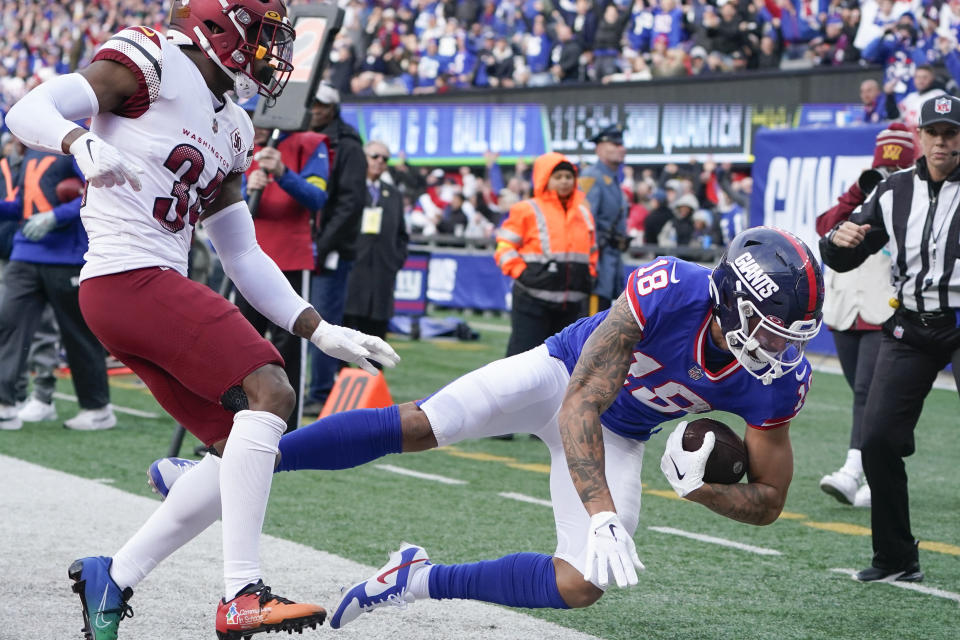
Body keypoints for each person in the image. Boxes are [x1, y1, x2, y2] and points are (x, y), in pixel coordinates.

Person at [150, 226, 824, 627]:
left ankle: (413, 578)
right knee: (422, 423)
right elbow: (579, 403)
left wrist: (701, 487)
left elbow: (768, 504)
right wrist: (601, 513)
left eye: (791, 335)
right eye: (772, 326)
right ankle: (220, 471)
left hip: (622, 433)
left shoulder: (777, 376)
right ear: (734, 298)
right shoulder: (671, 287)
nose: (780, 347)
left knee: (581, 584)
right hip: (559, 376)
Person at [4, 2, 399, 639]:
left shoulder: (237, 126)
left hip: (146, 285)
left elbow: (241, 251)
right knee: (270, 392)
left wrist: (319, 329)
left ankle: (117, 573)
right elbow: (27, 110)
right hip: (127, 276)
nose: (275, 53)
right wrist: (81, 142)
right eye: (267, 37)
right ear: (223, 27)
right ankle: (242, 594)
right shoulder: (154, 61)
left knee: (238, 455)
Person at [820, 94, 960, 584]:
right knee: (877, 438)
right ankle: (897, 556)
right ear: (921, 137)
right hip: (912, 325)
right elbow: (846, 253)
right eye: (935, 132)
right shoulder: (894, 190)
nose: (943, 141)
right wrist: (835, 242)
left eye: (952, 132)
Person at [815, 123, 915, 508]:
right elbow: (825, 228)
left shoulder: (909, 194)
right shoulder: (864, 192)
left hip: (883, 305)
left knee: (868, 392)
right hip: (845, 309)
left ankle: (855, 469)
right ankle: (877, 468)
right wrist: (859, 188)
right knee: (866, 392)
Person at [0, 143, 115, 432]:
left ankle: (97, 407)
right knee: (8, 323)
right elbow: (25, 204)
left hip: (67, 257)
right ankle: (5, 404)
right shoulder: (33, 147)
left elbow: (97, 191)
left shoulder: (77, 140)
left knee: (76, 333)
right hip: (25, 252)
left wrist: (56, 216)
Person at [236, 95, 330, 431]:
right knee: (240, 344)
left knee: (291, 345)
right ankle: (235, 424)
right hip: (248, 260)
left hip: (290, 258)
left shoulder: (310, 144)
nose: (254, 126)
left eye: (258, 118)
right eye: (248, 117)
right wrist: (248, 191)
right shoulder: (237, 146)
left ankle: (286, 430)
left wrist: (283, 174)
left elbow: (318, 197)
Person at [303, 82, 368, 415]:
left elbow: (351, 202)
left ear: (333, 108)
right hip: (302, 242)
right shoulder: (302, 134)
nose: (314, 108)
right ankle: (305, 385)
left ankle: (322, 390)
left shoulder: (348, 145)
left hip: (330, 247)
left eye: (321, 104)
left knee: (323, 319)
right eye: (311, 102)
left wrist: (322, 243)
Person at [495, 151, 598, 358]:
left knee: (563, 366)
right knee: (522, 362)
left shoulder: (584, 212)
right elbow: (504, 247)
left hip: (571, 304)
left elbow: (592, 252)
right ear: (544, 179)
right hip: (532, 300)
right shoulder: (526, 209)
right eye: (558, 177)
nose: (564, 182)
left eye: (568, 177)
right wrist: (522, 273)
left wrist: (589, 275)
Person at [343, 140, 409, 340]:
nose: (380, 161)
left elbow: (401, 235)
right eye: (374, 156)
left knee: (376, 336)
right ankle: (341, 372)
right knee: (345, 330)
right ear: (363, 158)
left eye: (385, 158)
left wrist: (393, 262)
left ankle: (374, 372)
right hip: (352, 271)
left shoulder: (394, 194)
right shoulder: (349, 186)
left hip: (381, 274)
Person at [579, 125, 628, 312]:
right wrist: (591, 266)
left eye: (621, 144)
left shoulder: (612, 179)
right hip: (597, 262)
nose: (621, 148)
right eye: (614, 143)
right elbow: (585, 222)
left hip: (610, 260)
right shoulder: (592, 176)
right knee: (591, 325)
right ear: (598, 148)